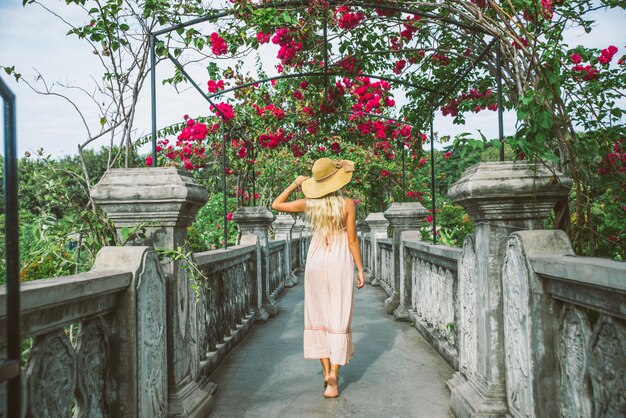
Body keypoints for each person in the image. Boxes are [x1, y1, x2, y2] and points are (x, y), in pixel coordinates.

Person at [272, 157, 365, 398]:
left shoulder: (309, 204)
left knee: (318, 312)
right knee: (339, 312)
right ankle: (334, 372)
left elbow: (276, 204)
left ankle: (326, 373)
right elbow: (353, 240)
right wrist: (360, 269)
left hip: (316, 258)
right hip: (340, 259)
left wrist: (295, 183)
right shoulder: (347, 204)